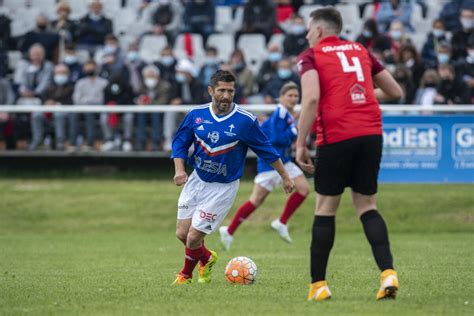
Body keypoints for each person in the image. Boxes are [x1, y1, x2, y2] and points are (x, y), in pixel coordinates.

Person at [295, 7, 403, 302]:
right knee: (367, 205)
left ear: (318, 31)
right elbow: (394, 91)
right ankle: (388, 273)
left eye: (307, 30)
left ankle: (318, 286)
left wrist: (300, 143)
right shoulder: (361, 51)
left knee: (325, 208)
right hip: (371, 134)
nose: (306, 35)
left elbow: (312, 98)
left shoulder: (311, 56)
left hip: (337, 135)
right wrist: (361, 94)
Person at [171, 70, 295, 285]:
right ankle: (207, 258)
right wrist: (179, 170)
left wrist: (285, 176)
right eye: (221, 90)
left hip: (223, 188)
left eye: (230, 91)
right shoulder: (196, 115)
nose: (226, 96)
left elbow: (267, 149)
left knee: (193, 237)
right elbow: (180, 142)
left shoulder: (245, 121)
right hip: (196, 180)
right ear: (211, 91)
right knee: (182, 234)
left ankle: (185, 276)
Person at [219, 82, 309, 250]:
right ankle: (228, 230)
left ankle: (281, 222)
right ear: (281, 98)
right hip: (270, 164)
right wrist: (294, 132)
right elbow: (275, 139)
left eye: (296, 96)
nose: (293, 98)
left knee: (304, 189)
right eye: (289, 95)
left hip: (284, 161)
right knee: (256, 200)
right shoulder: (279, 115)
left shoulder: (287, 115)